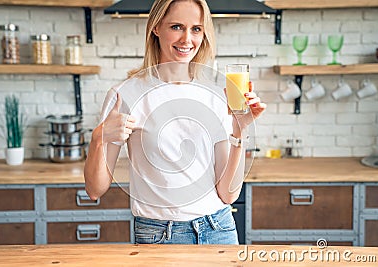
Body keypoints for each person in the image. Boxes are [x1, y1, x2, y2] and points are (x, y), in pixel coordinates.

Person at [84, 0, 266, 245]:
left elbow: (228, 194)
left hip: (219, 229)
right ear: (156, 28)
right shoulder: (125, 95)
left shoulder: (215, 96)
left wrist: (240, 130)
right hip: (160, 235)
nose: (187, 40)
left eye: (196, 29)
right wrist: (99, 137)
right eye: (177, 27)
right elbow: (95, 190)